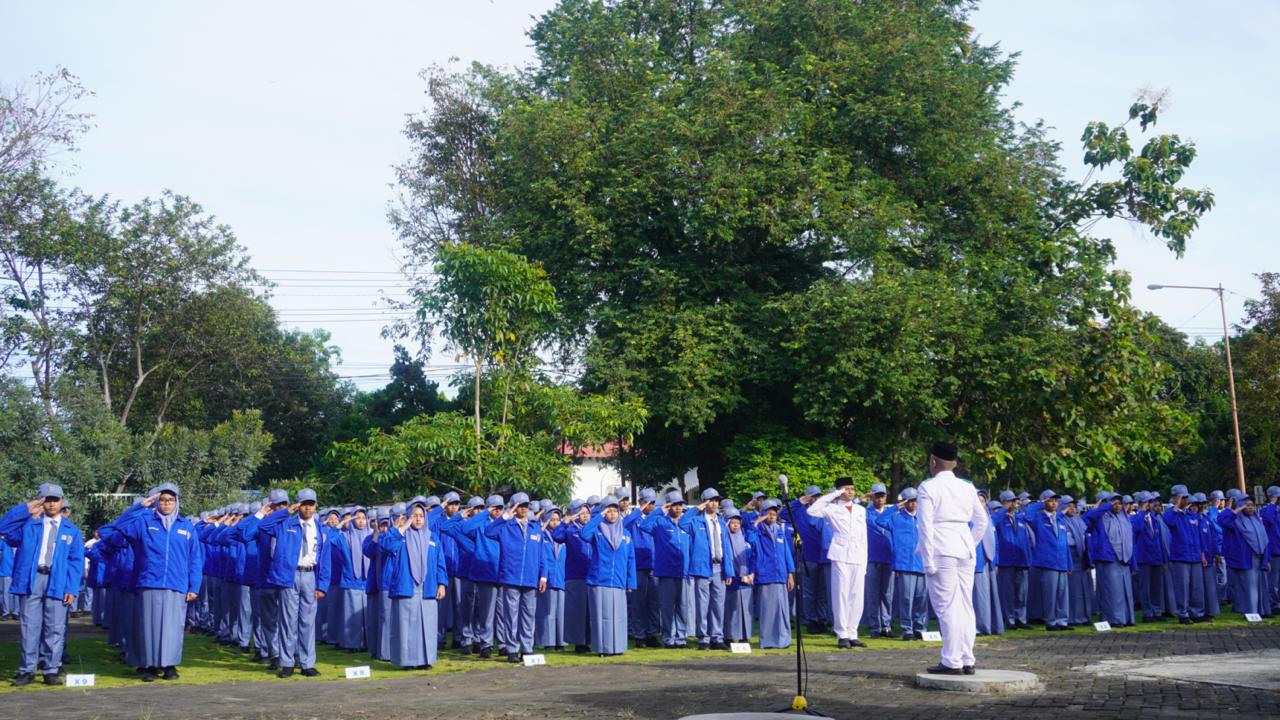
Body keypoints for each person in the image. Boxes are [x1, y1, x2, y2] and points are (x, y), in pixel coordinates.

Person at [99, 484, 204, 682]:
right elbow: (116, 529)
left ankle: (170, 665)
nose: (166, 504)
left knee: (173, 627)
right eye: (163, 500)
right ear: (156, 502)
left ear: (177, 503)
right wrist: (139, 507)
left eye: (170, 500)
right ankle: (149, 666)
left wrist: (194, 586)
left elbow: (195, 558)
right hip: (149, 581)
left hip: (176, 583)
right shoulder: (144, 522)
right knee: (148, 626)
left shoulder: (186, 526)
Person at [1, 484, 85, 686]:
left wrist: (72, 588)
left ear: (62, 502)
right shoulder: (29, 526)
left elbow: (76, 562)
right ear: (41, 502)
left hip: (57, 581)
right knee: (29, 626)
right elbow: (3, 527)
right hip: (32, 580)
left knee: (55, 627)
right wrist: (27, 508)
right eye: (47, 500)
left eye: (55, 500)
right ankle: (27, 670)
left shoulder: (72, 531)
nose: (51, 504)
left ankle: (51, 669)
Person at [915, 442, 988, 675]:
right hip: (965, 548)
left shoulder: (928, 487)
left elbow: (924, 526)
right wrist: (969, 543)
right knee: (965, 605)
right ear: (954, 463)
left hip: (942, 548)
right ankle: (967, 658)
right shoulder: (968, 487)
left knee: (947, 606)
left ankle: (951, 660)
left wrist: (927, 559)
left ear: (933, 462)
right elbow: (982, 522)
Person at [257, 488, 331, 678]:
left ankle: (307, 663)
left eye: (311, 504)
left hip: (310, 576)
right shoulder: (285, 524)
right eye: (304, 504)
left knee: (307, 622)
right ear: (298, 505)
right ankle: (287, 663)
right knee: (288, 622)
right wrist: (286, 511)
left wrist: (322, 585)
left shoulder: (321, 529)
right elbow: (263, 526)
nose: (308, 508)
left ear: (316, 506)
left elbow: (325, 559)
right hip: (289, 576)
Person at [380, 501, 448, 670]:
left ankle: (425, 660)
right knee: (406, 626)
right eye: (414, 516)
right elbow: (387, 546)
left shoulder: (432, 537)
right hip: (406, 586)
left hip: (428, 586)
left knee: (428, 625)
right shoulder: (400, 535)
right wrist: (402, 528)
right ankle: (407, 661)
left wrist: (442, 584)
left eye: (421, 516)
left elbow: (440, 562)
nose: (418, 519)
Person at [485, 492, 547, 662]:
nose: (523, 509)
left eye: (526, 505)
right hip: (510, 577)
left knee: (529, 615)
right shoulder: (505, 526)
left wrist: (543, 577)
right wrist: (505, 516)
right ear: (513, 507)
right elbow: (488, 532)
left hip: (530, 577)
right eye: (519, 506)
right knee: (510, 616)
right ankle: (512, 649)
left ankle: (527, 648)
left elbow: (542, 554)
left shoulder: (535, 527)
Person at [808, 477, 868, 649]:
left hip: (857, 555)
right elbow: (812, 510)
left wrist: (864, 562)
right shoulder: (832, 508)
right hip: (840, 553)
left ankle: (852, 632)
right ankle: (842, 633)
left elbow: (864, 537)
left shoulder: (860, 510)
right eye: (846, 489)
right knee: (840, 594)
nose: (850, 492)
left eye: (852, 489)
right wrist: (835, 494)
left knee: (856, 596)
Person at [579, 497, 636, 656]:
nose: (612, 514)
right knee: (601, 616)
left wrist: (630, 581)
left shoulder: (626, 533)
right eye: (608, 511)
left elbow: (631, 558)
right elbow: (584, 534)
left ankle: (618, 648)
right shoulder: (597, 531)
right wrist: (598, 516)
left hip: (618, 580)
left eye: (614, 511)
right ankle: (602, 648)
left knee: (618, 616)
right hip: (599, 579)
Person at [680, 488, 735, 651]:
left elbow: (726, 548)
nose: (715, 503)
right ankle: (704, 638)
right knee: (702, 605)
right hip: (703, 568)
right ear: (704, 501)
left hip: (719, 568)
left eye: (716, 500)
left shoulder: (721, 523)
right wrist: (697, 509)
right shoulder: (696, 521)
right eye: (711, 500)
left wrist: (729, 571)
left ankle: (717, 637)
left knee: (718, 605)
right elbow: (682, 523)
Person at [873, 487, 928, 641]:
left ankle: (920, 628)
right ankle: (907, 629)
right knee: (906, 599)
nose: (913, 504)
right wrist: (896, 507)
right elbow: (880, 520)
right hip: (905, 564)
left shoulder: (923, 518)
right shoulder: (896, 518)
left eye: (914, 500)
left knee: (921, 598)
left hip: (922, 563)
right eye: (909, 501)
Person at [643, 491, 692, 648]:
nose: (678, 508)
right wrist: (660, 509)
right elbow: (644, 525)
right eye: (675, 504)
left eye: (680, 505)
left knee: (683, 607)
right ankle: (668, 638)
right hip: (666, 573)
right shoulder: (660, 523)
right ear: (669, 505)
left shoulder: (686, 524)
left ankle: (681, 638)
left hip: (683, 572)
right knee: (667, 608)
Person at [1083, 492, 1135, 627]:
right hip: (1108, 558)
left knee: (1125, 592)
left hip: (1124, 559)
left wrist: (1132, 563)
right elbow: (1086, 518)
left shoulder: (1124, 517)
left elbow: (1129, 540)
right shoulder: (1101, 517)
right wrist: (1103, 507)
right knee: (1112, 591)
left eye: (1119, 503)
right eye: (1114, 503)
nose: (1117, 506)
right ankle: (1114, 619)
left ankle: (1127, 618)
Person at [1023, 490, 1071, 631]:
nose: (1054, 503)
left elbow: (1064, 544)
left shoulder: (1060, 519)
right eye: (1050, 500)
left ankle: (1062, 621)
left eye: (1055, 500)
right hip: (1048, 563)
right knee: (1050, 594)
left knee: (1062, 594)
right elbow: (1028, 516)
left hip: (1062, 562)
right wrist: (1040, 503)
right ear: (1044, 502)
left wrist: (1069, 563)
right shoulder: (1039, 519)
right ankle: (1051, 622)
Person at [750, 500, 795, 649]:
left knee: (782, 610)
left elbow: (786, 553)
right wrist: (757, 522)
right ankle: (768, 641)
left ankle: (784, 640)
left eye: (774, 514)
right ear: (763, 515)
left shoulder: (780, 530)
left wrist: (790, 573)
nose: (772, 516)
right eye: (769, 513)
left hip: (781, 575)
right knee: (768, 611)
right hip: (766, 575)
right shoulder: (758, 531)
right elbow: (750, 540)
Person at [550, 499, 594, 653]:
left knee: (590, 611)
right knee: (577, 611)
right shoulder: (569, 530)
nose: (586, 516)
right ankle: (578, 642)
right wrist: (564, 522)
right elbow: (556, 536)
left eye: (587, 513)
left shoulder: (592, 529)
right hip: (576, 575)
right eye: (582, 513)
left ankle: (590, 640)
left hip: (592, 575)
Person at [1218, 492, 1270, 617]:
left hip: (1259, 557)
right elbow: (1223, 521)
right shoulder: (1234, 519)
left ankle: (1262, 610)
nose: (1250, 507)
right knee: (1248, 587)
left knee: (1261, 586)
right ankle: (1251, 612)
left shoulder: (1256, 519)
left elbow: (1264, 539)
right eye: (1247, 505)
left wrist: (1266, 559)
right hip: (1244, 558)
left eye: (1252, 505)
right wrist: (1237, 510)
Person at [791, 485, 833, 633]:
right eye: (812, 496)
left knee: (822, 593)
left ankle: (822, 619)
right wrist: (799, 501)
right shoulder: (800, 511)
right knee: (809, 593)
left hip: (824, 556)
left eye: (817, 496)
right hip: (808, 557)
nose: (815, 498)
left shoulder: (823, 511)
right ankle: (811, 620)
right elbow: (783, 514)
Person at [1162, 485, 1206, 624]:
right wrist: (1177, 504)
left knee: (1197, 587)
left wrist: (1202, 554)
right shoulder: (1171, 513)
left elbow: (1199, 537)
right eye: (1183, 497)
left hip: (1195, 556)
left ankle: (1197, 613)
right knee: (1183, 587)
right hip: (1181, 557)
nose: (1185, 500)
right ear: (1175, 498)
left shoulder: (1192, 515)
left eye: (1186, 497)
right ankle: (1183, 614)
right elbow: (1168, 521)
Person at [333, 506, 373, 651]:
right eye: (357, 519)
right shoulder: (345, 537)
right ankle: (352, 644)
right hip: (351, 580)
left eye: (363, 518)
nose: (361, 521)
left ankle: (369, 643)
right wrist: (342, 524)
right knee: (352, 615)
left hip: (368, 581)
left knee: (368, 615)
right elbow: (331, 537)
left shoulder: (371, 534)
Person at [624, 488, 660, 647]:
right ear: (640, 502)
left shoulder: (656, 518)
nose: (651, 506)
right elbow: (624, 524)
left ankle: (652, 634)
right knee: (638, 602)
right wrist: (639, 510)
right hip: (638, 565)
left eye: (653, 502)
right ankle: (639, 635)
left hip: (654, 565)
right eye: (647, 502)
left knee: (653, 602)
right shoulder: (634, 519)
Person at [993, 490, 1033, 630]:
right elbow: (992, 522)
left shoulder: (1020, 518)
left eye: (1014, 501)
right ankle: (1009, 619)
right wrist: (1004, 510)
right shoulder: (998, 518)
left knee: (1022, 592)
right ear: (1004, 502)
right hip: (1006, 561)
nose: (1014, 503)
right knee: (1008, 593)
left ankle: (1020, 618)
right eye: (1010, 501)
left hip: (1021, 561)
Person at [863, 482, 895, 638]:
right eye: (877, 496)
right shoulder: (865, 513)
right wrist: (861, 498)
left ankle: (886, 626)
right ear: (872, 496)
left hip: (888, 558)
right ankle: (874, 627)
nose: (880, 499)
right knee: (873, 594)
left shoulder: (891, 513)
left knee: (887, 595)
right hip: (873, 558)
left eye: (882, 496)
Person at [1132, 492, 1168, 622]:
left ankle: (1157, 611)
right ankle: (1147, 613)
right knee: (1145, 588)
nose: (1152, 505)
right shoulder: (1137, 518)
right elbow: (1137, 530)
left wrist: (1163, 560)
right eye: (1149, 502)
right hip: (1144, 559)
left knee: (1156, 587)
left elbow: (1159, 540)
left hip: (1156, 558)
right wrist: (1142, 512)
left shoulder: (1154, 519)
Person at [536, 505, 566, 650]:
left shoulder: (563, 535)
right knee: (547, 612)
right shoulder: (541, 535)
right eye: (552, 519)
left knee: (561, 612)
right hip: (547, 578)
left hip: (561, 578)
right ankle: (548, 641)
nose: (555, 522)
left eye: (557, 520)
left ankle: (561, 642)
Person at [1060, 496, 1094, 626]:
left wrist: (1088, 558)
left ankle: (1085, 616)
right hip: (1070, 556)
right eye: (1069, 505)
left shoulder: (1079, 520)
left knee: (1085, 590)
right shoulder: (1061, 520)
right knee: (1072, 590)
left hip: (1082, 557)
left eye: (1074, 505)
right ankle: (1073, 618)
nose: (1072, 508)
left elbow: (1086, 538)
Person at [722, 509, 754, 643]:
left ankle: (745, 637)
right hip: (732, 579)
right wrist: (737, 576)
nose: (735, 525)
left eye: (738, 523)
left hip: (747, 579)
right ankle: (729, 636)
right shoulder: (724, 539)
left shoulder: (745, 537)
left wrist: (751, 574)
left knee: (746, 610)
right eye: (732, 522)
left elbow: (751, 556)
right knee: (731, 609)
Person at [973, 497, 1003, 636]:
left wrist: (995, 562)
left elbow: (995, 541)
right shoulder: (969, 518)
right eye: (977, 500)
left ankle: (993, 626)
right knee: (980, 597)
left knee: (991, 596)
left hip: (989, 562)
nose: (981, 503)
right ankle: (980, 627)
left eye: (983, 501)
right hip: (977, 562)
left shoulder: (989, 518)